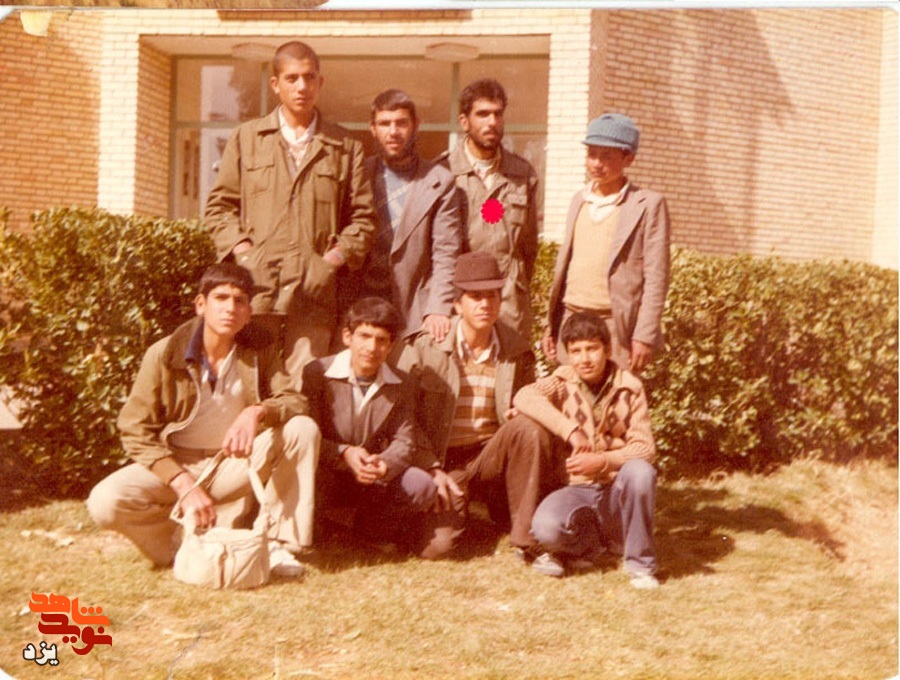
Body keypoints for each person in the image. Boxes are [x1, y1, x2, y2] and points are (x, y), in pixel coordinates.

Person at [87, 263, 320, 577]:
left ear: (249, 312)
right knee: (105, 501)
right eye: (220, 298)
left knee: (302, 429)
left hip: (233, 462)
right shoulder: (165, 353)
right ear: (201, 305)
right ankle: (179, 546)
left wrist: (257, 411)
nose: (230, 308)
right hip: (179, 463)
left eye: (239, 301)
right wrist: (182, 483)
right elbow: (133, 428)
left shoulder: (259, 348)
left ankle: (279, 544)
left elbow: (294, 400)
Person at [204, 40, 377, 382]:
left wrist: (331, 261)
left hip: (313, 298)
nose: (302, 87)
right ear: (275, 84)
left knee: (303, 390)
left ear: (320, 83)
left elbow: (364, 219)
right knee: (250, 385)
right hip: (257, 294)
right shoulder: (247, 139)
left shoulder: (346, 147)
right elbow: (219, 208)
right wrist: (245, 254)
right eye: (292, 78)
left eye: (309, 78)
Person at [397, 251, 563, 559]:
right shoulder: (426, 348)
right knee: (437, 549)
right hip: (445, 458)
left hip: (491, 453)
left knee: (528, 426)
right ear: (457, 304)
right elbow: (403, 415)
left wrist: (519, 411)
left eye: (492, 295)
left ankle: (525, 537)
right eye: (475, 297)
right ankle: (467, 512)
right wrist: (430, 466)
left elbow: (530, 398)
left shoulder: (515, 349)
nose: (485, 304)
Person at [301, 297, 452, 556]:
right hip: (325, 470)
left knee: (421, 484)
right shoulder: (318, 373)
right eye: (364, 336)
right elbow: (307, 434)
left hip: (371, 473)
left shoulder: (401, 383)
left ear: (391, 345)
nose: (372, 347)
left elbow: (405, 440)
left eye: (381, 340)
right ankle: (324, 525)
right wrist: (344, 453)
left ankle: (370, 532)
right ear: (347, 336)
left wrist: (383, 464)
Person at [518, 312, 659, 588]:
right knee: (546, 529)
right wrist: (569, 429)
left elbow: (645, 449)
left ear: (607, 349)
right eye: (576, 351)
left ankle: (641, 565)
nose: (585, 359)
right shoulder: (562, 382)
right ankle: (592, 544)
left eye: (592, 349)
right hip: (575, 487)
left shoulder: (629, 387)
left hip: (616, 487)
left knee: (641, 472)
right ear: (568, 355)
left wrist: (603, 461)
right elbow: (525, 396)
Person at [542, 113, 671, 374]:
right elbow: (565, 269)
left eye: (607, 156)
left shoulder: (647, 204)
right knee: (569, 395)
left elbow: (657, 277)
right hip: (571, 319)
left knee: (616, 397)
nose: (597, 164)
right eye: (592, 154)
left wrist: (644, 335)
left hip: (615, 327)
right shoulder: (579, 200)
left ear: (628, 158)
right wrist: (551, 326)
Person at [361, 89, 464, 345]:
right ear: (373, 128)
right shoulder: (359, 174)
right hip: (361, 303)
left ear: (416, 125)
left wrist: (438, 307)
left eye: (401, 123)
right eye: (384, 123)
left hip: (414, 307)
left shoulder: (439, 181)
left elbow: (446, 251)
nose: (393, 131)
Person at [439, 78, 540, 340]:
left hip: (509, 304)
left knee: (510, 363)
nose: (492, 122)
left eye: (498, 114)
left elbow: (528, 247)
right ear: (464, 121)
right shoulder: (442, 173)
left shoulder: (522, 174)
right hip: (460, 300)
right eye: (483, 114)